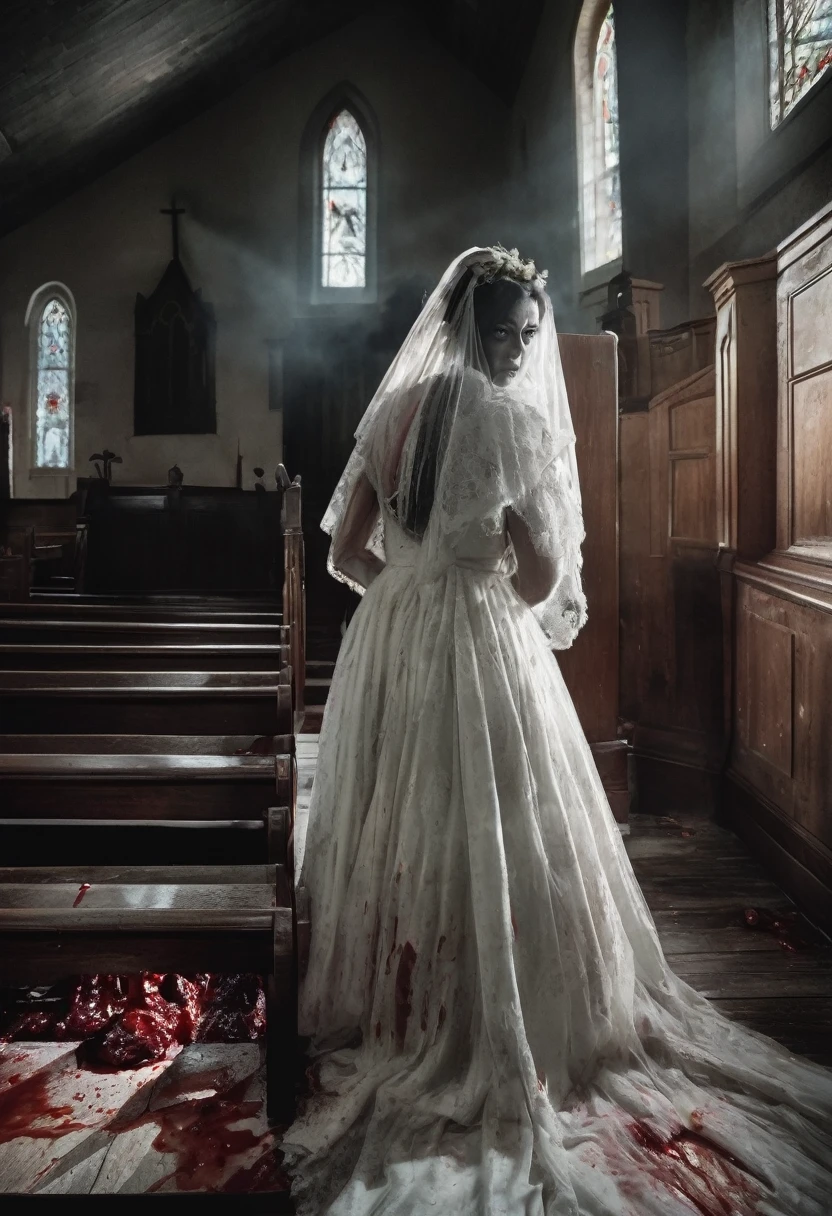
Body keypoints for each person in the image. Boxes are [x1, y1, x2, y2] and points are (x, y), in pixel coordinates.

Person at [282, 247, 832, 1215]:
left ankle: (397, 997)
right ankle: (493, 999)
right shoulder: (509, 419)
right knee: (490, 810)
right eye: (520, 335)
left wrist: (404, 595)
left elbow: (343, 550)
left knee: (400, 813)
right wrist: (473, 586)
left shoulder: (394, 410)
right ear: (494, 334)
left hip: (392, 633)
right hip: (476, 637)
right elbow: (536, 583)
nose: (524, 350)